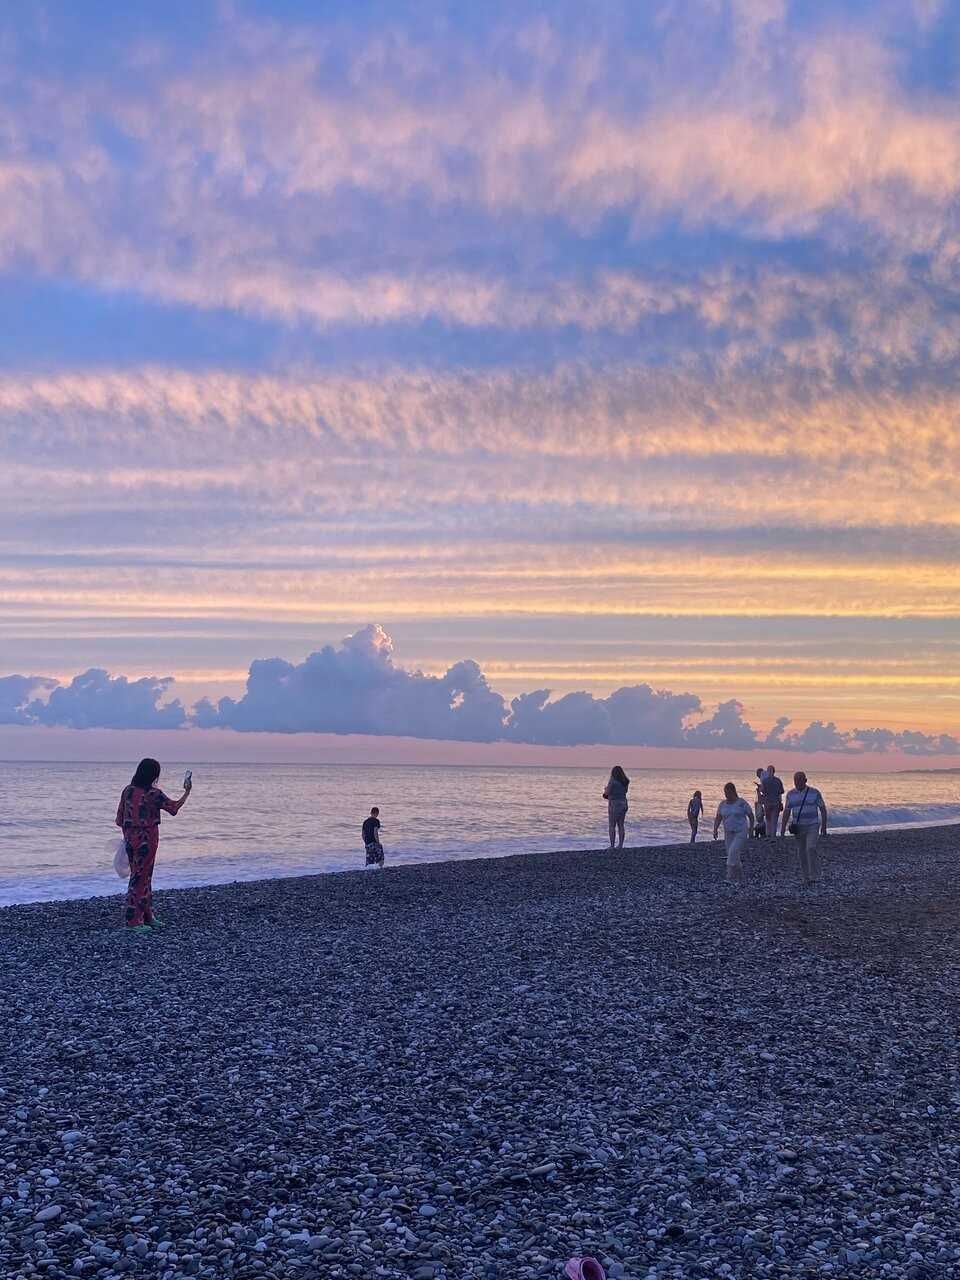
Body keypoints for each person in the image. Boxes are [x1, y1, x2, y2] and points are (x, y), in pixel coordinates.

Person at [115, 758, 191, 932]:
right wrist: (187, 792)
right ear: (154, 775)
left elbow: (119, 819)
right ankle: (133, 921)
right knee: (141, 878)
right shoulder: (153, 793)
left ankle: (148, 916)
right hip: (147, 839)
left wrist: (130, 832)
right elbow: (173, 808)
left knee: (142, 876)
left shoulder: (127, 791)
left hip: (130, 838)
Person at [781, 771, 828, 886]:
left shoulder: (814, 792)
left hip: (812, 825)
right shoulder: (790, 794)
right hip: (798, 827)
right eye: (795, 781)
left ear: (805, 780)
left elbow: (822, 809)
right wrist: (782, 829)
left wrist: (824, 826)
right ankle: (805, 876)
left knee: (811, 848)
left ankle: (814, 875)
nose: (797, 783)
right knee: (801, 851)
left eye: (799, 780)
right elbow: (787, 811)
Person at [713, 782, 753, 884]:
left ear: (733, 792)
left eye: (728, 793)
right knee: (734, 854)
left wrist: (751, 829)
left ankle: (729, 876)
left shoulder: (741, 803)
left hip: (741, 831)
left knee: (732, 853)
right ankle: (740, 876)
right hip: (728, 833)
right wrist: (715, 829)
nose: (726, 795)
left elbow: (751, 815)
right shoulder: (722, 804)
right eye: (725, 793)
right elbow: (718, 817)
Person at [602, 766, 630, 851]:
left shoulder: (612, 781)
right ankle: (620, 845)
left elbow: (606, 795)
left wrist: (606, 790)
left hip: (615, 804)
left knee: (612, 825)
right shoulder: (625, 782)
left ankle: (612, 845)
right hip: (624, 803)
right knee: (621, 825)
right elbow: (625, 792)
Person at [760, 764, 784, 841]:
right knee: (774, 820)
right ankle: (773, 837)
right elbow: (781, 792)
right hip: (776, 802)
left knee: (768, 820)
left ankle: (768, 835)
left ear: (767, 772)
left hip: (767, 802)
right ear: (774, 772)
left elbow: (763, 791)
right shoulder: (778, 780)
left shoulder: (764, 781)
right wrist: (780, 802)